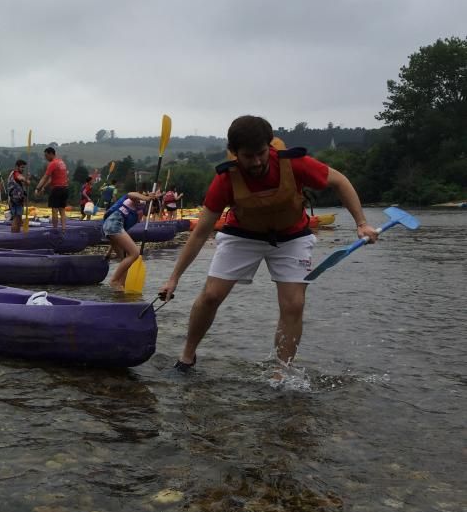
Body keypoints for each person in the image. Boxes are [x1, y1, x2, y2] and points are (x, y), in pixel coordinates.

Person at [158, 115, 380, 372]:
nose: (257, 162)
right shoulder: (225, 179)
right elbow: (199, 233)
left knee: (293, 303)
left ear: (269, 147)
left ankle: (281, 371)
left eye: (262, 153)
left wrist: (361, 222)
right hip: (243, 235)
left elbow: (340, 181)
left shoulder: (294, 163)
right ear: (234, 153)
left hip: (292, 236)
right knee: (211, 295)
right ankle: (187, 356)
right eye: (248, 156)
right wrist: (174, 278)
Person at [101, 186, 159, 291]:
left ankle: (121, 287)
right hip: (113, 225)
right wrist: (146, 198)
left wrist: (109, 252)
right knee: (135, 253)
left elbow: (119, 236)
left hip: (112, 229)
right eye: (152, 210)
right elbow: (130, 193)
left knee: (126, 260)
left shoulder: (137, 215)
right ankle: (114, 280)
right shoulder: (139, 202)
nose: (150, 213)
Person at [34, 146, 68, 232]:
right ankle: (64, 229)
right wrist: (44, 187)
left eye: (46, 156)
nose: (45, 158)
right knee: (62, 210)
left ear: (51, 154)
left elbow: (45, 177)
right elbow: (51, 179)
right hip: (64, 188)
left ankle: (55, 230)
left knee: (54, 210)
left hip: (56, 189)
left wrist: (38, 188)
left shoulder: (52, 164)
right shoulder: (61, 162)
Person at [6, 159, 29, 233]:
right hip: (15, 200)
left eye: (23, 168)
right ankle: (14, 234)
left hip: (18, 199)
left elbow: (23, 183)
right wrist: (26, 180)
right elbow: (20, 178)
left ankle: (17, 233)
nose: (23, 169)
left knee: (18, 218)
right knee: (16, 217)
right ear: (17, 167)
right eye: (22, 167)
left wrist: (27, 178)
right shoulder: (15, 173)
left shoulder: (17, 174)